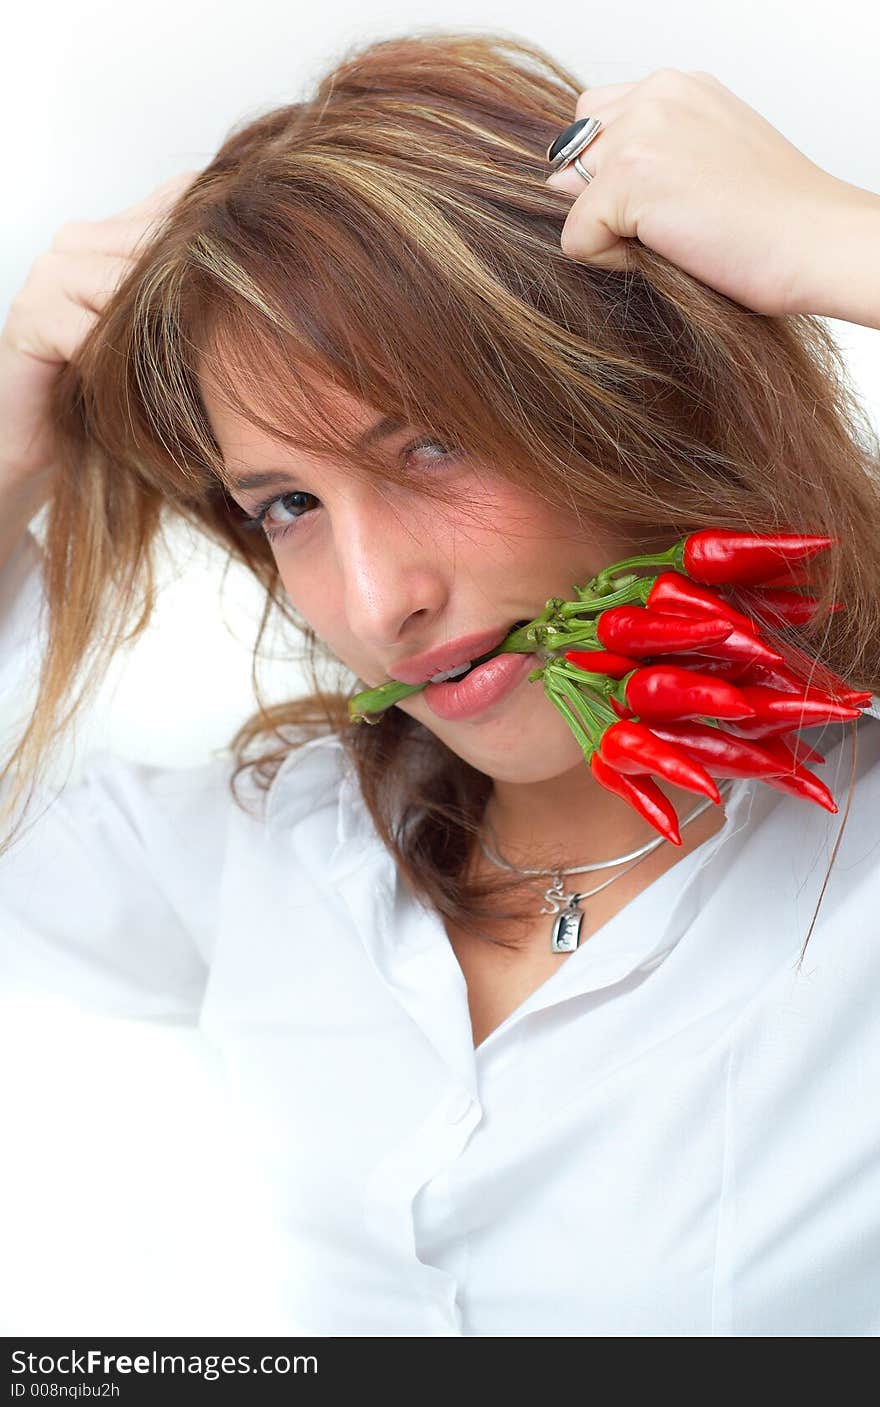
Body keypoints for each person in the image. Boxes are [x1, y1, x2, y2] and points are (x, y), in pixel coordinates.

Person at [2, 32, 879, 1337]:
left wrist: (844, 238)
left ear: (637, 396)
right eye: (289, 503)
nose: (375, 604)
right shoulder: (283, 845)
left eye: (431, 444)